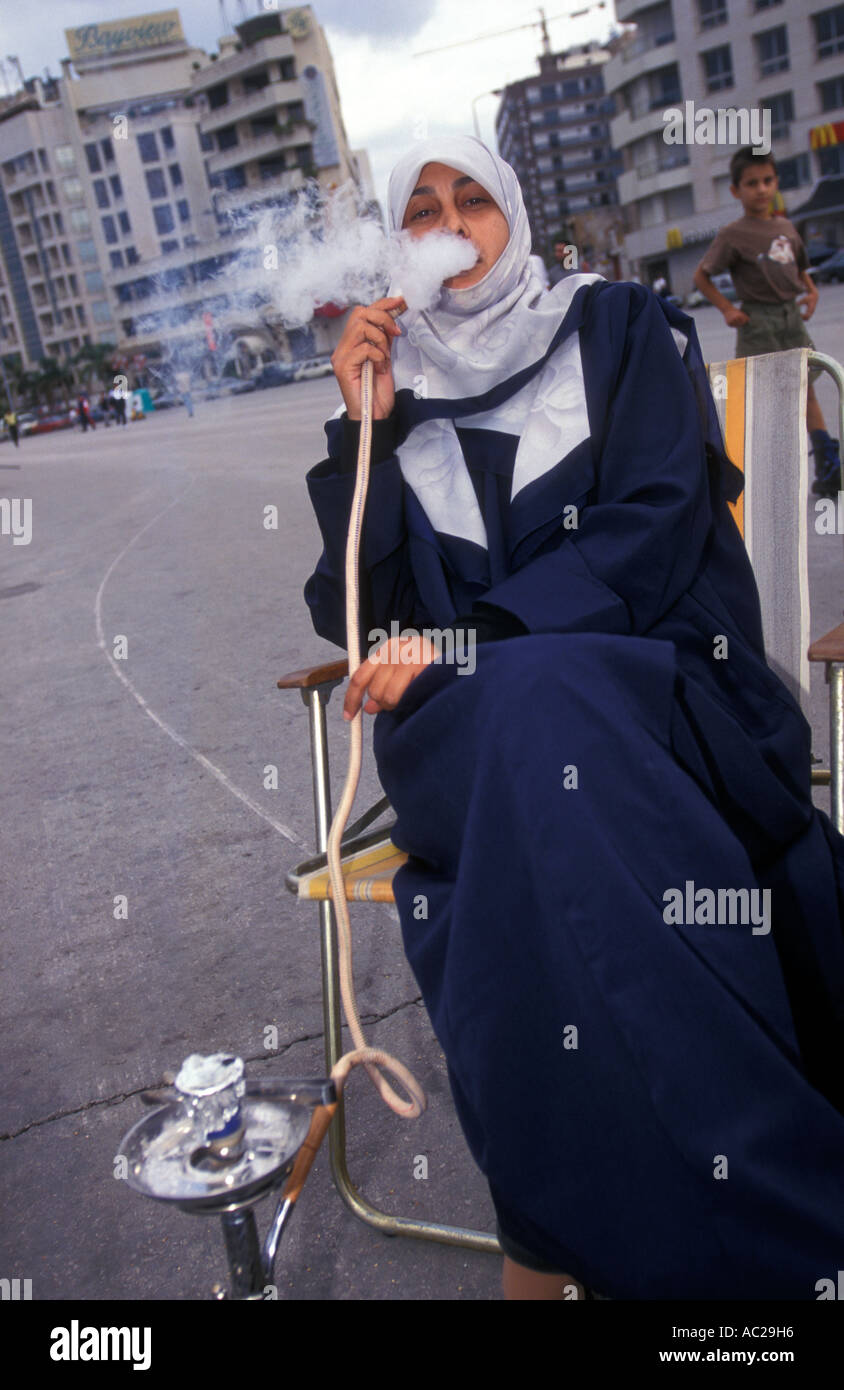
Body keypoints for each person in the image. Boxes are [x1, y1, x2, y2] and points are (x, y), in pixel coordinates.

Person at [303, 135, 844, 1300]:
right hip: (465, 738)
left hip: (658, 697)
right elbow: (365, 619)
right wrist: (362, 431)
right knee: (526, 715)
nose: (452, 226)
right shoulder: (389, 392)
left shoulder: (615, 328)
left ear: (514, 211)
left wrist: (485, 639)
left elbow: (657, 523)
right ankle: (779, 1249)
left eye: (472, 200)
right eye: (424, 210)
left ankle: (576, 1230)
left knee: (544, 712)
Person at [693, 146, 841, 499]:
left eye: (768, 180)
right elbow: (701, 276)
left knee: (807, 393)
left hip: (791, 319)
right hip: (757, 322)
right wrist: (728, 309)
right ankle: (764, 470)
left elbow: (801, 269)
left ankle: (828, 464)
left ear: (776, 182)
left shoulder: (787, 226)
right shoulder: (732, 234)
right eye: (751, 183)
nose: (761, 189)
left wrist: (812, 292)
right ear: (735, 190)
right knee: (760, 398)